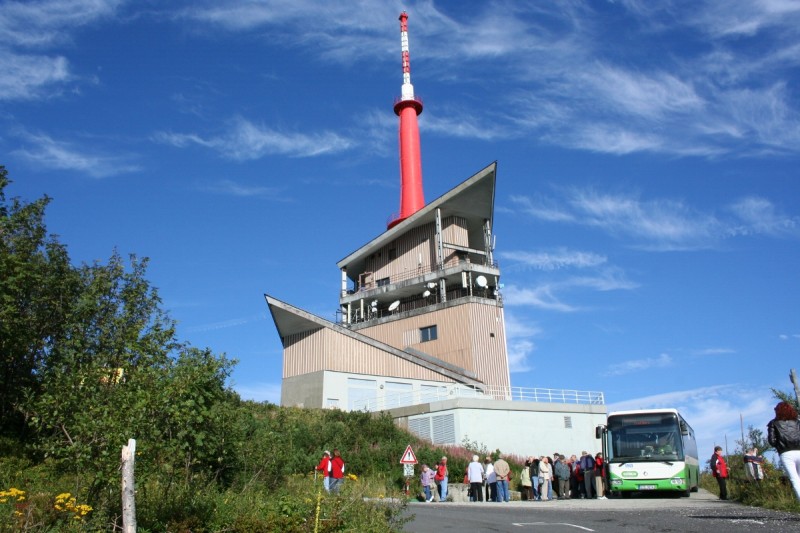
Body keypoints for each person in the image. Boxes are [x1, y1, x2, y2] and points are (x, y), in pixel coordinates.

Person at [768, 401, 800, 500]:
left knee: (795, 479)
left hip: (786, 453)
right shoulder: (797, 422)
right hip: (799, 450)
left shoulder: (773, 423)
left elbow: (772, 441)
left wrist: (780, 445)